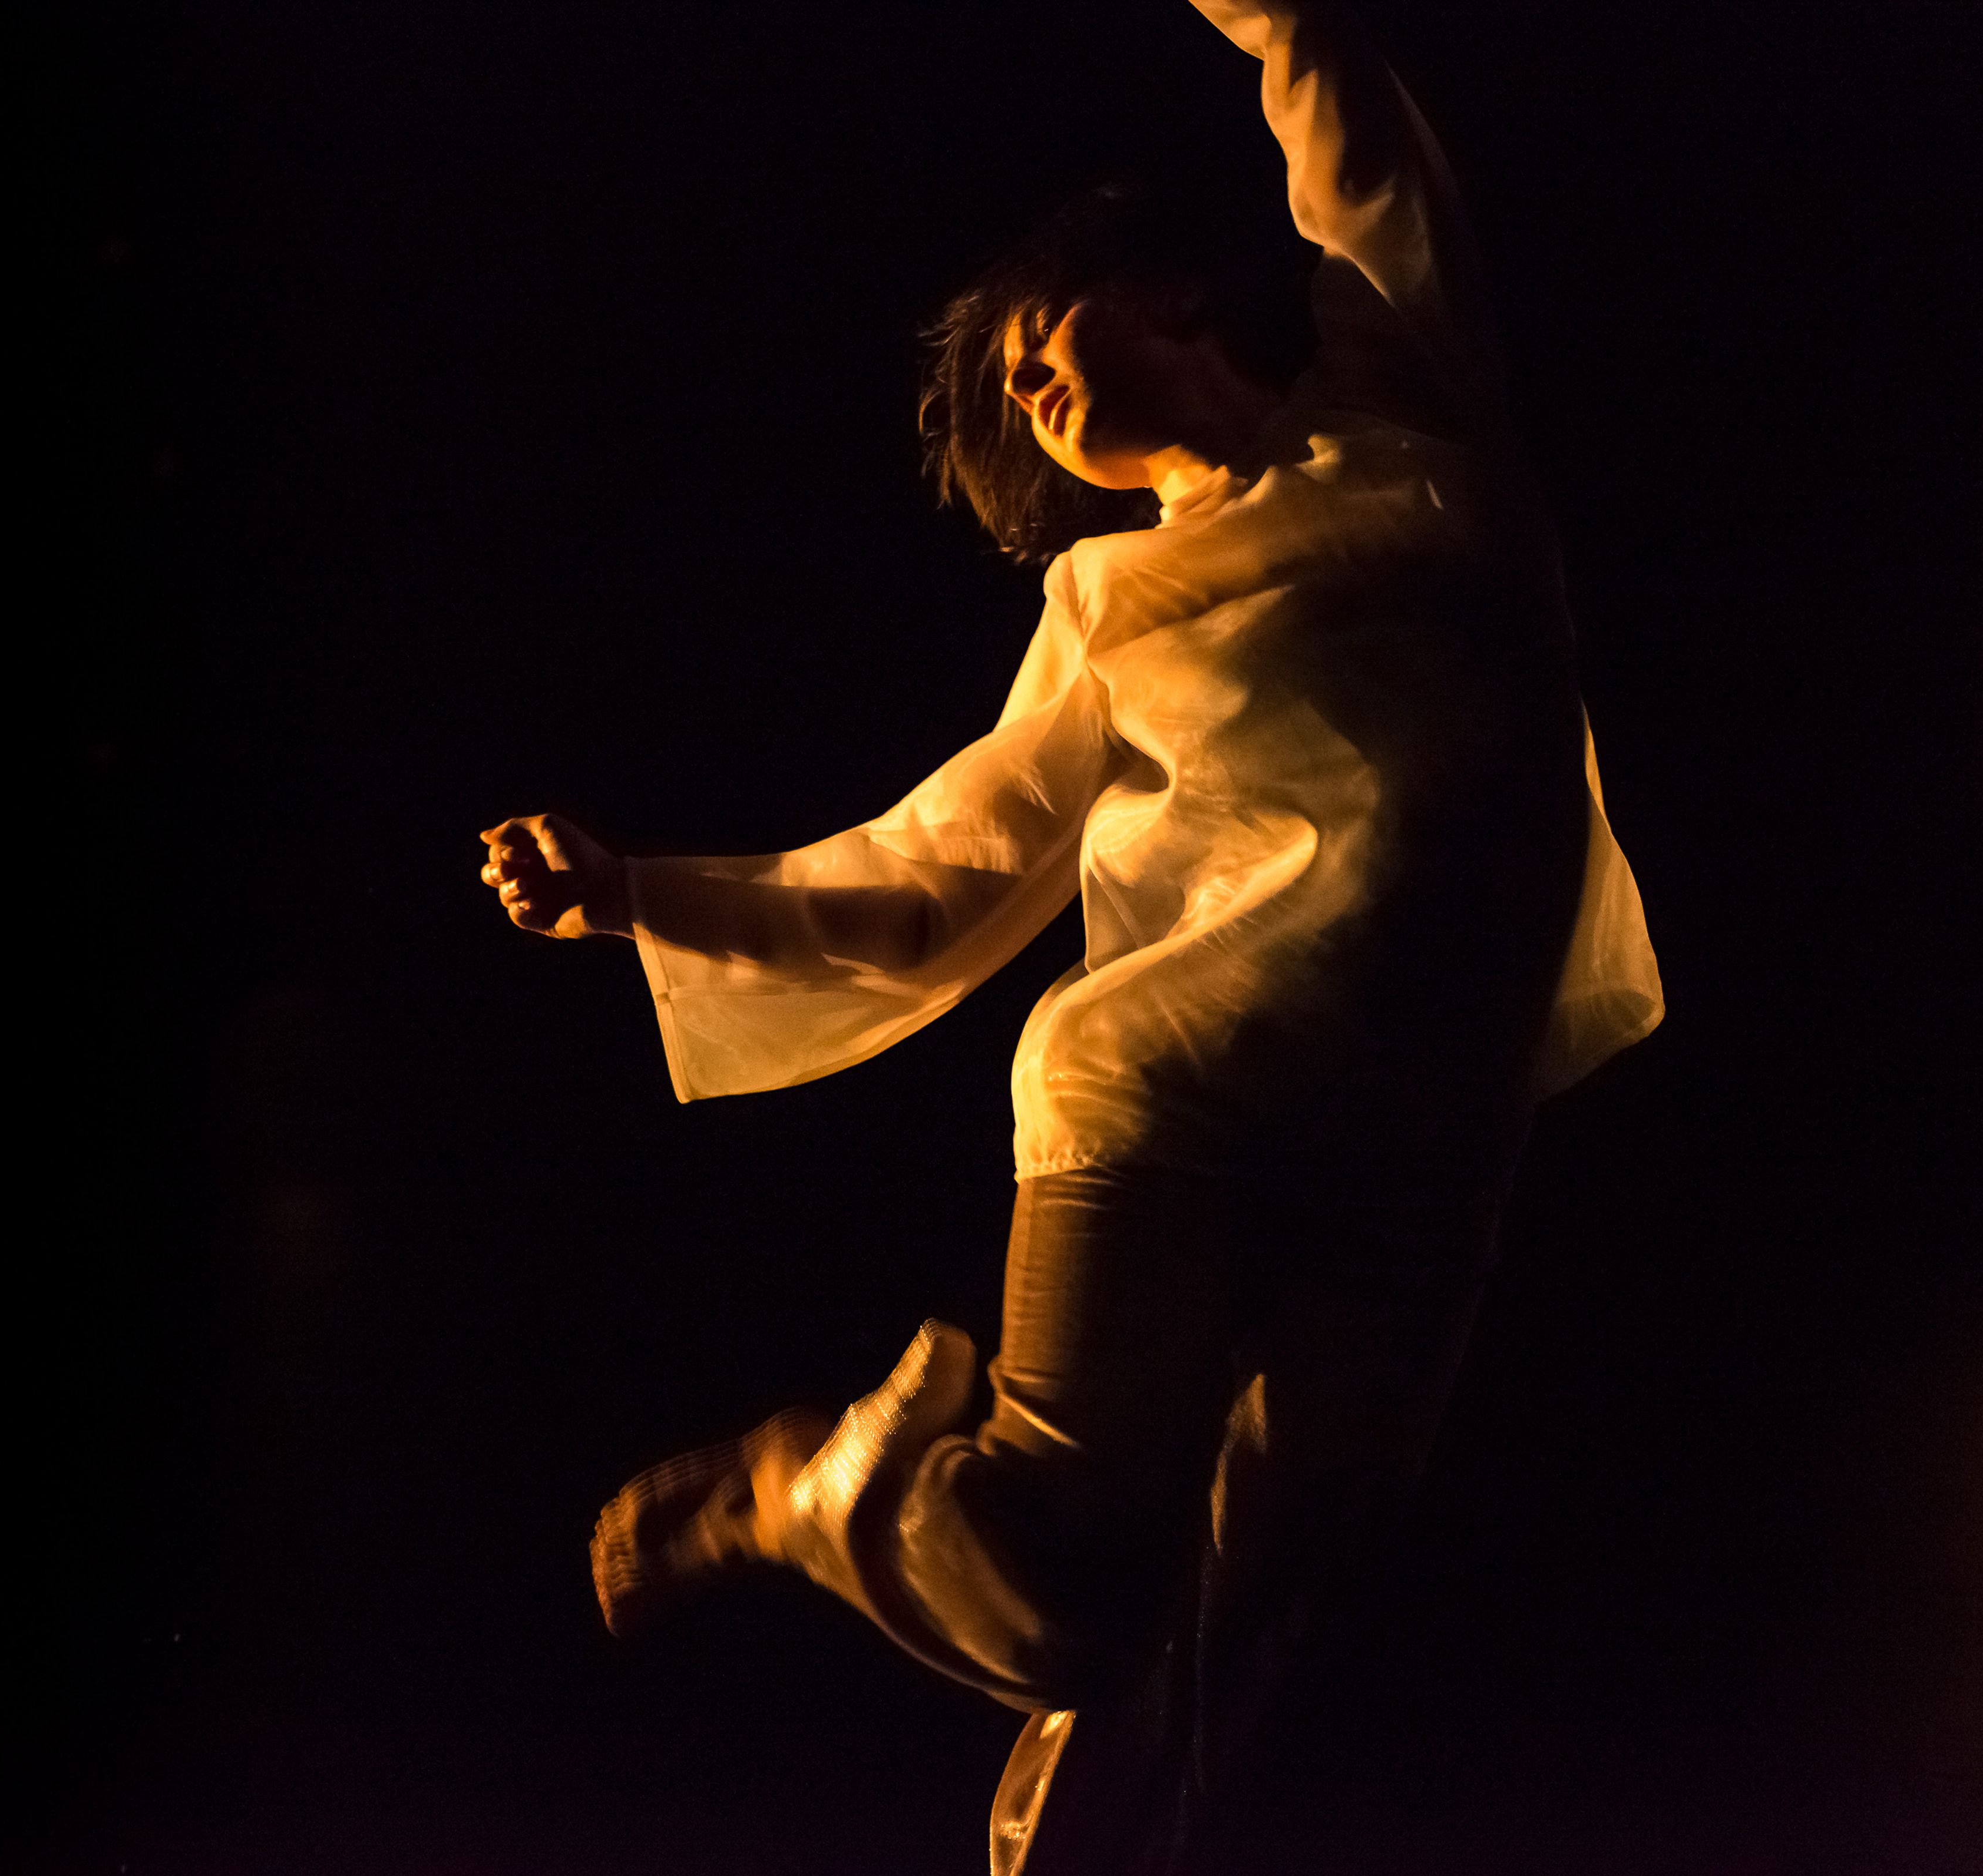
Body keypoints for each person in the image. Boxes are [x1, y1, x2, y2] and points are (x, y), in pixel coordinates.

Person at [478, 2, 1663, 1868]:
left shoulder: (1401, 366)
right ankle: (800, 1487)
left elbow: (1322, 66)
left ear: (1179, 296)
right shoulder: (1104, 602)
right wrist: (643, 891)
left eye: (1043, 337)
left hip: (1428, 1145)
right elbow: (935, 871)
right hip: (1177, 1090)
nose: (1026, 386)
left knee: (1252, 1613)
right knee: (1064, 1589)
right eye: (1014, 381)